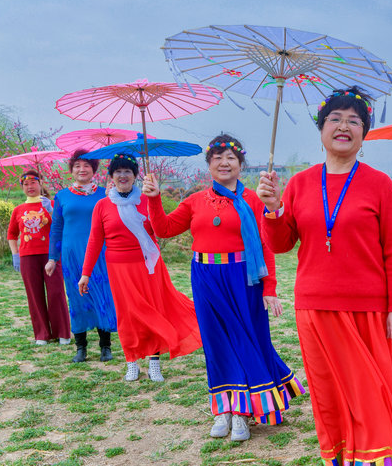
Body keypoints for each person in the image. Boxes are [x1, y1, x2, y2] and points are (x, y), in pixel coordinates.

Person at [257, 87, 392, 466]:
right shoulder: (299, 183)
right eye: (335, 118)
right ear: (321, 129)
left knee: (366, 393)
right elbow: (281, 244)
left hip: (369, 310)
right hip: (314, 307)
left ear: (364, 134)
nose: (344, 126)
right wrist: (272, 209)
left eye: (354, 121)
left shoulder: (379, 185)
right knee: (327, 395)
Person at [142, 135, 304, 442]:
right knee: (216, 343)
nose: (224, 162)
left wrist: (269, 287)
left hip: (244, 278)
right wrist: (153, 198)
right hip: (205, 277)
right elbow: (163, 229)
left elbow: (266, 245)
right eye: (217, 157)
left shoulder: (254, 201)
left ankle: (243, 412)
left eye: (230, 157)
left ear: (241, 165)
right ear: (209, 165)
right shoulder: (193, 201)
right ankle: (222, 409)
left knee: (245, 339)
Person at [78, 154, 201, 382]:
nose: (123, 175)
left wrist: (154, 200)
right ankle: (131, 360)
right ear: (111, 176)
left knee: (153, 310)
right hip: (118, 268)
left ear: (136, 176)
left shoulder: (147, 200)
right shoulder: (102, 206)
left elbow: (160, 228)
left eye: (128, 171)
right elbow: (94, 241)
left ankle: (154, 361)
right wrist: (85, 273)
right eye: (118, 171)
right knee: (127, 315)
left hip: (149, 266)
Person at [46, 150, 117, 363]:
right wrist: (52, 258)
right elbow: (56, 227)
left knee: (102, 296)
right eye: (77, 165)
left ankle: (105, 346)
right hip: (71, 255)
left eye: (86, 165)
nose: (82, 169)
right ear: (71, 170)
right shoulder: (61, 196)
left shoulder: (106, 193)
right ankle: (81, 347)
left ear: (94, 169)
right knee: (76, 297)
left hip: (100, 253)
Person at [7, 170, 71, 346]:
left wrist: (51, 210)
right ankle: (42, 334)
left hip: (51, 256)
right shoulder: (18, 210)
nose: (30, 187)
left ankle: (62, 332)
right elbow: (12, 234)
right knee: (34, 295)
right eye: (26, 185)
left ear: (41, 183)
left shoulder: (51, 204)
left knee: (56, 292)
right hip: (27, 257)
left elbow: (63, 227)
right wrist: (15, 254)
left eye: (33, 183)